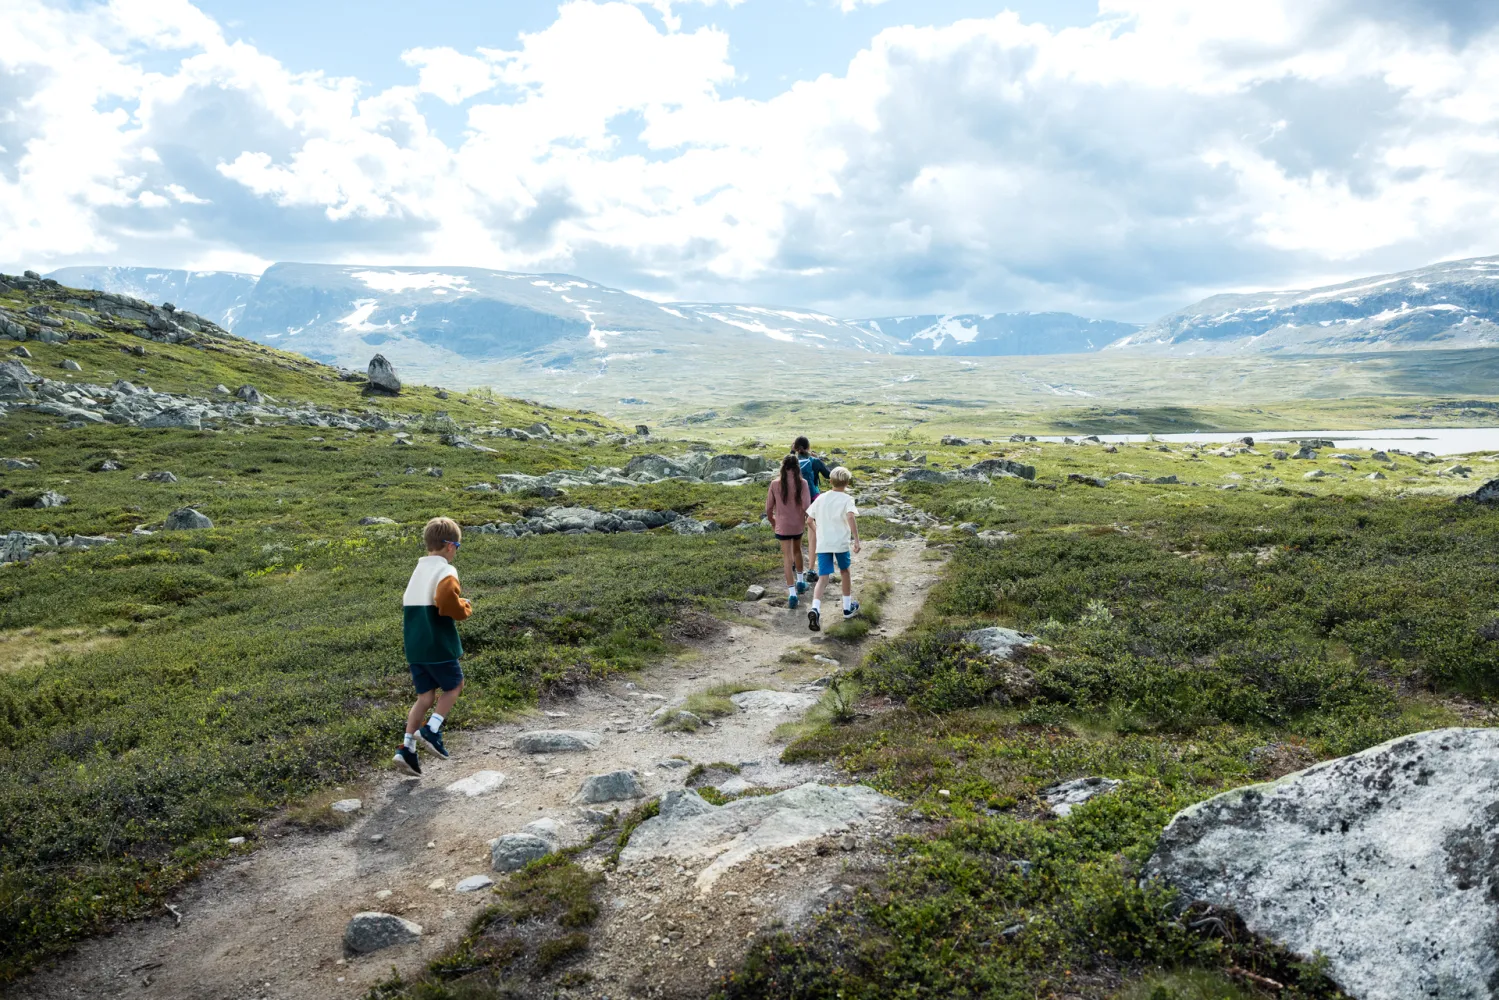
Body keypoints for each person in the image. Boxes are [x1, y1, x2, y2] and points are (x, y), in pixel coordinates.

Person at [394, 517, 473, 776]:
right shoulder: (445, 570)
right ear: (450, 546)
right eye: (457, 547)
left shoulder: (418, 571)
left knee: (425, 697)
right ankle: (431, 730)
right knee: (455, 685)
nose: (456, 552)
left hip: (415, 647)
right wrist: (463, 607)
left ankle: (406, 749)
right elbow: (446, 600)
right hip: (437, 644)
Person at [804, 466, 860, 632]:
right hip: (840, 543)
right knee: (845, 572)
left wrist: (818, 532)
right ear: (847, 483)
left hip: (824, 543)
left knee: (823, 577)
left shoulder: (821, 498)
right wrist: (856, 539)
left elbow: (809, 520)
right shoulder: (847, 499)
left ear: (830, 481)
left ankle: (815, 608)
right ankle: (847, 608)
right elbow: (850, 516)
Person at [766, 454, 811, 608]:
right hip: (797, 524)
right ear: (798, 467)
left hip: (782, 525)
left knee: (787, 558)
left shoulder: (774, 484)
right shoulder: (803, 483)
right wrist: (808, 520)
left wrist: (773, 521)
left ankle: (792, 595)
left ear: (783, 467)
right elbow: (806, 506)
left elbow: (768, 508)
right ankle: (801, 582)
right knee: (798, 551)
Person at [793, 436, 832, 583]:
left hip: (795, 501)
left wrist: (792, 452)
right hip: (813, 499)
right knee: (812, 534)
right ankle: (811, 570)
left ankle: (793, 562)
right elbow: (829, 475)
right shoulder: (814, 461)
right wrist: (819, 459)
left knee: (795, 533)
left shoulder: (791, 461)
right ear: (808, 447)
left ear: (795, 448)